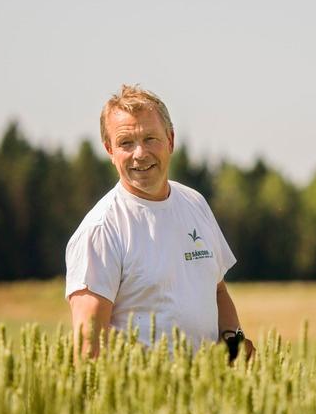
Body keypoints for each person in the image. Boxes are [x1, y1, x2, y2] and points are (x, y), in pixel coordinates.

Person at [65, 84, 254, 360]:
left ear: (171, 140)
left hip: (207, 394)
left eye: (150, 139)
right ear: (109, 150)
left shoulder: (195, 204)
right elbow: (88, 348)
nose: (140, 154)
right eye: (126, 143)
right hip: (141, 397)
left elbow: (217, 290)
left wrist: (234, 344)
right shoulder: (101, 230)